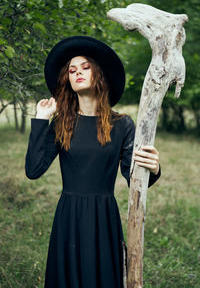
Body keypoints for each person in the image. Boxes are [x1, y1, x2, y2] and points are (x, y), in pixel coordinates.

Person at [25, 36, 161, 288]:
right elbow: (33, 170)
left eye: (85, 67)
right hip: (69, 216)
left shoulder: (122, 125)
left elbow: (133, 177)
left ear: (98, 73)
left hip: (103, 216)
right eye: (72, 70)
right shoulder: (61, 123)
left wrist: (153, 168)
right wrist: (41, 120)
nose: (77, 72)